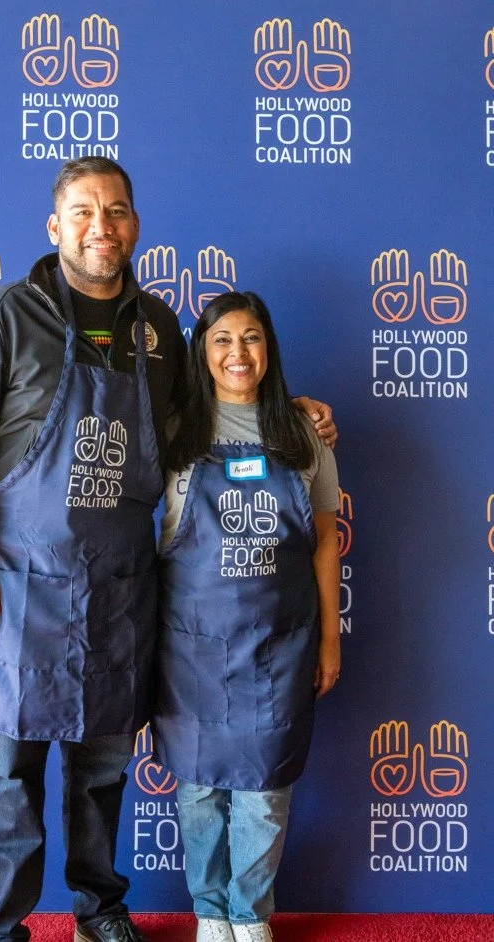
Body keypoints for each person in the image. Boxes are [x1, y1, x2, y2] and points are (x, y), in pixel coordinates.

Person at [0, 157, 337, 942]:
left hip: (121, 585)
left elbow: (217, 403)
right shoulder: (7, 318)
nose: (99, 227)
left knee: (101, 769)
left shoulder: (155, 330)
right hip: (21, 583)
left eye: (115, 211)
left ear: (134, 226)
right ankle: (2, 925)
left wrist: (295, 409)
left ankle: (99, 911)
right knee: (11, 772)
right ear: (55, 227)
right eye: (82, 212)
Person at [152, 291, 341, 942]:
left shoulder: (302, 435)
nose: (238, 352)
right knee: (200, 787)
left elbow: (323, 542)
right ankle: (210, 914)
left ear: (269, 350)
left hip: (279, 643)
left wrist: (328, 641)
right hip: (190, 645)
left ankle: (250, 915)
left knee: (264, 791)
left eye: (251, 337)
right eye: (222, 339)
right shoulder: (173, 432)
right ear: (200, 353)